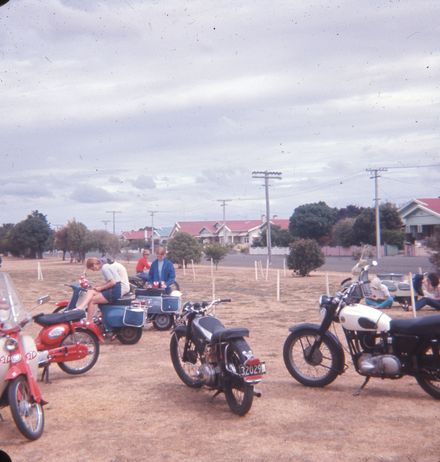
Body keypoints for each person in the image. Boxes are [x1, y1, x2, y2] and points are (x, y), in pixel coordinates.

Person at [77, 257, 122, 322]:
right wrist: (99, 286)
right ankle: (81, 307)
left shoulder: (104, 268)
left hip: (114, 291)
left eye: (92, 268)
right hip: (114, 289)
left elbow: (113, 282)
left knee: (92, 301)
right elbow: (110, 282)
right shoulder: (106, 266)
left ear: (94, 264)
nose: (93, 270)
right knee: (91, 291)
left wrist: (101, 288)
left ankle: (89, 321)